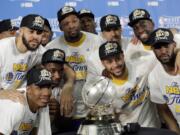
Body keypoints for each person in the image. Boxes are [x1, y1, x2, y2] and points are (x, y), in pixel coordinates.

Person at [46, 5, 102, 132]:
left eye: (74, 21)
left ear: (79, 21)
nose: (71, 26)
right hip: (65, 112)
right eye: (66, 23)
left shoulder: (97, 41)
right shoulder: (52, 47)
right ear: (60, 27)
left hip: (93, 108)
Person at [95, 41, 160, 128]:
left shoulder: (142, 66)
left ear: (123, 55)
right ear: (103, 63)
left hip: (152, 129)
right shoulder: (104, 89)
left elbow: (167, 51)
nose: (115, 65)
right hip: (125, 131)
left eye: (118, 58)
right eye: (109, 62)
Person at [0, 67, 53, 135]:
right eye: (40, 87)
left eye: (49, 87)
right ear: (28, 89)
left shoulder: (39, 104)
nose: (46, 93)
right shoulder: (17, 105)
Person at [0, 14, 46, 90]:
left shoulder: (39, 50)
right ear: (21, 31)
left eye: (39, 33)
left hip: (19, 94)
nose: (35, 37)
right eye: (31, 31)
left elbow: (63, 65)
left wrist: (69, 83)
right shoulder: (2, 47)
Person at [148, 28, 180, 134]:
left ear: (174, 45)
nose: (163, 51)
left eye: (166, 46)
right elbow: (165, 111)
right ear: (152, 49)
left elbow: (174, 30)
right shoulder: (153, 77)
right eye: (158, 47)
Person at [86, 14, 130, 80]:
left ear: (121, 29)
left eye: (116, 29)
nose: (113, 34)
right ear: (102, 34)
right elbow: (91, 84)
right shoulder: (94, 58)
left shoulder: (132, 44)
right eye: (108, 30)